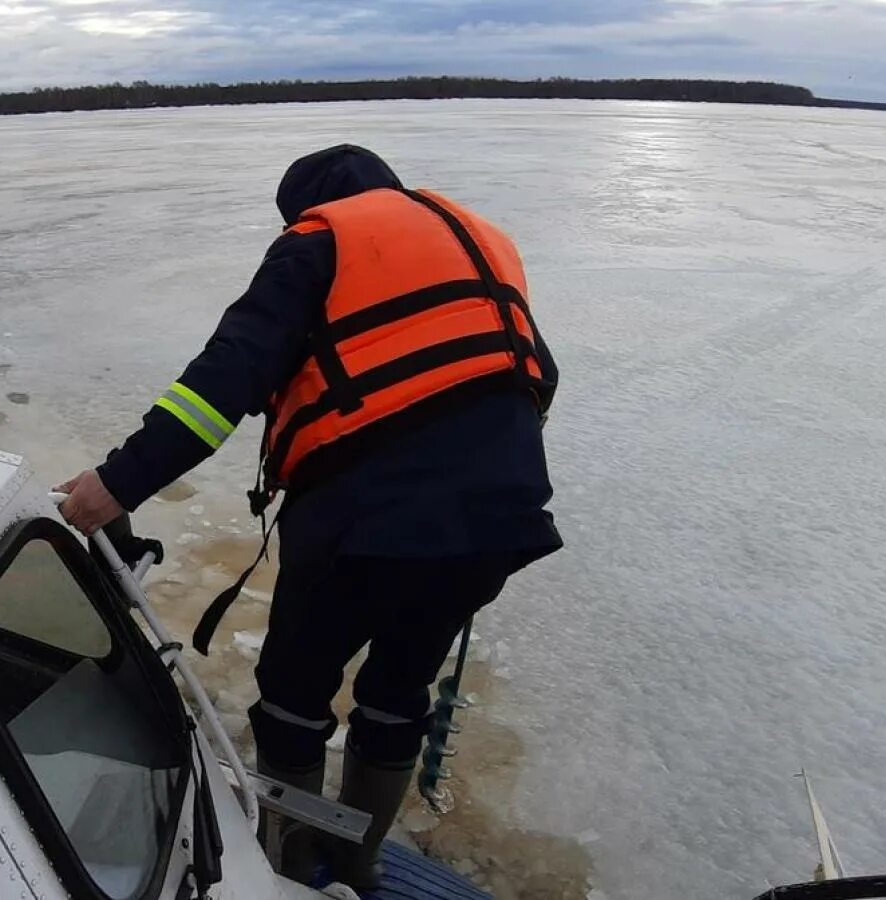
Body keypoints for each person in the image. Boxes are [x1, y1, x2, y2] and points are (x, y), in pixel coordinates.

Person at [57, 145, 561, 889]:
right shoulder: (478, 237)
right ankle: (358, 866)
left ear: (304, 207)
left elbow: (221, 382)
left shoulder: (318, 240)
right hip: (500, 512)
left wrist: (118, 482)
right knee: (399, 691)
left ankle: (290, 865)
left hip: (363, 519)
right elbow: (534, 373)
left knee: (294, 696)